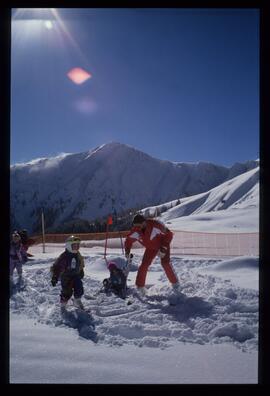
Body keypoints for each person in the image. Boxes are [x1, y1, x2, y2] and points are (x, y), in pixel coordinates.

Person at [124, 213, 180, 295]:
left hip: (162, 244)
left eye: (139, 226)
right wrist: (127, 250)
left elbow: (169, 234)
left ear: (144, 222)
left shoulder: (155, 225)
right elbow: (128, 240)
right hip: (151, 248)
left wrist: (163, 248)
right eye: (135, 226)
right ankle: (140, 287)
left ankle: (175, 284)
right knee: (144, 265)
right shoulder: (136, 231)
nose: (137, 228)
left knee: (165, 263)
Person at [50, 235, 85, 310]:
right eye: (74, 245)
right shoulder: (64, 257)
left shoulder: (78, 255)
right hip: (66, 276)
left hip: (76, 275)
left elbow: (81, 263)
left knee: (79, 288)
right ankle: (63, 302)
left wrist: (81, 270)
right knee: (66, 292)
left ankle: (77, 301)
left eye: (78, 245)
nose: (77, 247)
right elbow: (57, 267)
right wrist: (55, 277)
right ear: (69, 246)